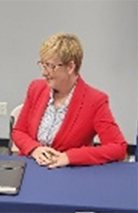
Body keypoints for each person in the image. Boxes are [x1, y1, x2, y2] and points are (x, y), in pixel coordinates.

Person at [12, 33, 127, 168]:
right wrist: (34, 149)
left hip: (68, 173)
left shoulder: (95, 101)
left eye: (51, 66)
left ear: (70, 67)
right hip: (30, 167)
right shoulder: (36, 88)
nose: (44, 72)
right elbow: (19, 131)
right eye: (43, 65)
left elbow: (118, 148)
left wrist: (69, 157)